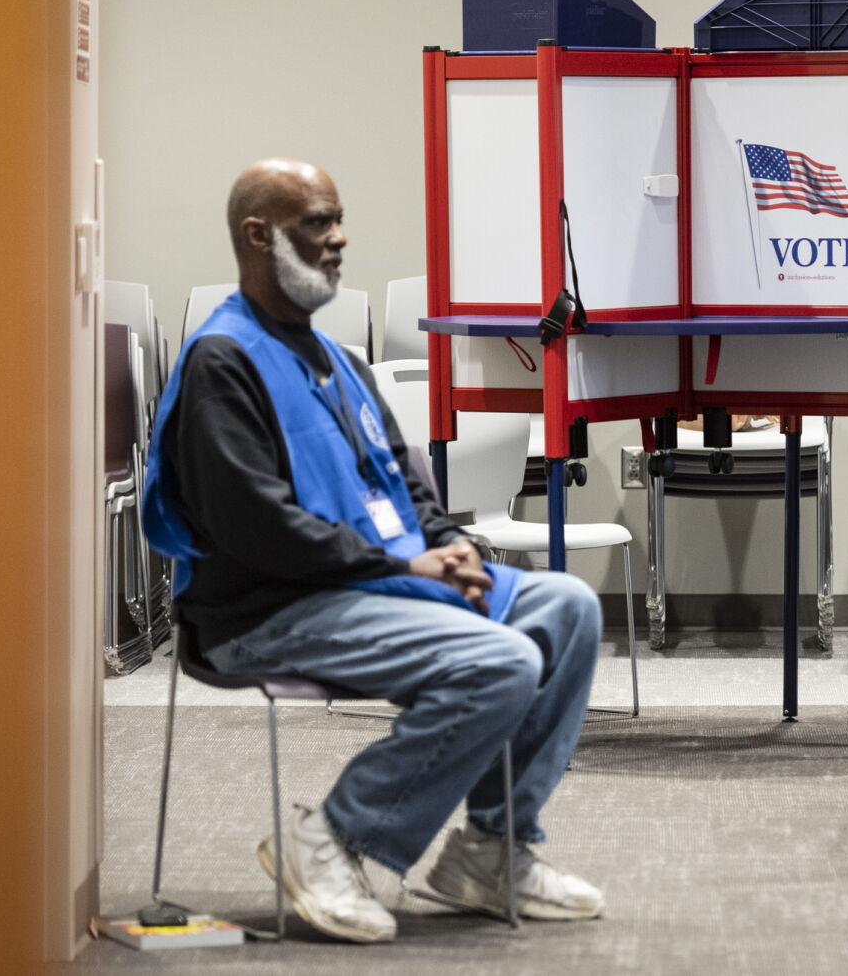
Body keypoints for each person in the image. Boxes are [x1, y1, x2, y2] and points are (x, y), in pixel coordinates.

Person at [141, 158, 605, 942]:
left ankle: (490, 850)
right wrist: (404, 567)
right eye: (317, 222)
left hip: (377, 584)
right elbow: (257, 529)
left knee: (569, 607)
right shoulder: (222, 362)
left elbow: (405, 486)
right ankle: (334, 836)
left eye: (337, 219)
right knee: (501, 661)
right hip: (269, 607)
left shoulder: (338, 362)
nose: (339, 238)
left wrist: (451, 546)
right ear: (258, 236)